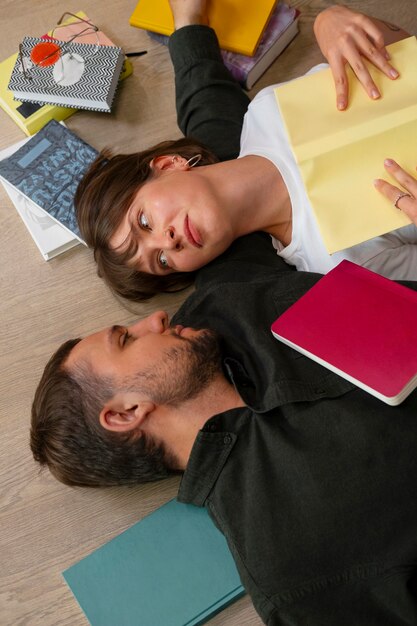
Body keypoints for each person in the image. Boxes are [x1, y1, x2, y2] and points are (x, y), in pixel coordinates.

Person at [31, 242, 417, 625]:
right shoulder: (291, 567)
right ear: (125, 412)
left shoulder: (217, 307)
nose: (155, 319)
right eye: (126, 340)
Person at [74, 2, 416, 302]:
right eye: (161, 262)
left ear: (168, 164)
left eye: (144, 222)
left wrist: (334, 21)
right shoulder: (336, 264)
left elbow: (402, 53)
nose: (168, 243)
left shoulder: (268, 112)